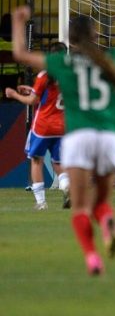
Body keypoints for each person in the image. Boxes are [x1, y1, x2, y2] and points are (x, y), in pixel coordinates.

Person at [11, 2, 115, 276]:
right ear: (96, 35)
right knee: (101, 203)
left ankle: (92, 257)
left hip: (79, 136)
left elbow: (20, 53)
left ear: (71, 39)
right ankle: (107, 223)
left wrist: (20, 21)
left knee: (79, 207)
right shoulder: (114, 57)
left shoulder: (63, 62)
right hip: (110, 137)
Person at [5, 42, 70, 210]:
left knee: (36, 161)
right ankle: (67, 187)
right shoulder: (70, 76)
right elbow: (49, 95)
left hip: (42, 127)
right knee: (58, 163)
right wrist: (33, 90)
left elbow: (32, 101)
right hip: (61, 126)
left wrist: (14, 95)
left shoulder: (44, 75)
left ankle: (41, 203)